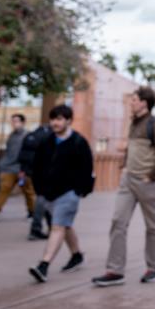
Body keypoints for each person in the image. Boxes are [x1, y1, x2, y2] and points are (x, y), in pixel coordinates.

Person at [92, 87, 155, 286]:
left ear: (144, 103)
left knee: (152, 226)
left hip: (150, 183)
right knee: (118, 221)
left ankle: (153, 268)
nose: (131, 103)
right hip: (129, 181)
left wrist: (149, 177)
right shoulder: (133, 123)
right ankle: (115, 270)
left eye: (134, 100)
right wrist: (125, 167)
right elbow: (131, 147)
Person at [28, 105, 94, 283]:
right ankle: (76, 255)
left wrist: (80, 190)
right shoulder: (46, 141)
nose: (55, 123)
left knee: (57, 227)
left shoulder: (79, 142)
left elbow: (87, 168)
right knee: (64, 225)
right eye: (53, 119)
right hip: (48, 193)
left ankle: (43, 265)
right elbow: (37, 166)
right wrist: (39, 188)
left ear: (68, 121)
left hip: (69, 193)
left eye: (59, 119)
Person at [0, 114, 35, 225]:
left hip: (22, 169)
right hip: (9, 168)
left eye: (16, 121)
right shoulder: (12, 136)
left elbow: (28, 154)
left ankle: (33, 213)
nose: (14, 123)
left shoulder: (28, 136)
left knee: (28, 192)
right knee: (4, 189)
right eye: (13, 121)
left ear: (23, 122)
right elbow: (9, 152)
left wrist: (24, 169)